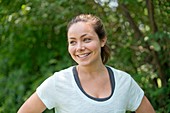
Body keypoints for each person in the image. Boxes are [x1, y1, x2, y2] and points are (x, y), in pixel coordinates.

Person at [18, 14, 155, 113]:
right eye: (73, 42)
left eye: (86, 39)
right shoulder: (59, 82)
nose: (79, 47)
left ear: (102, 40)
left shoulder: (124, 82)